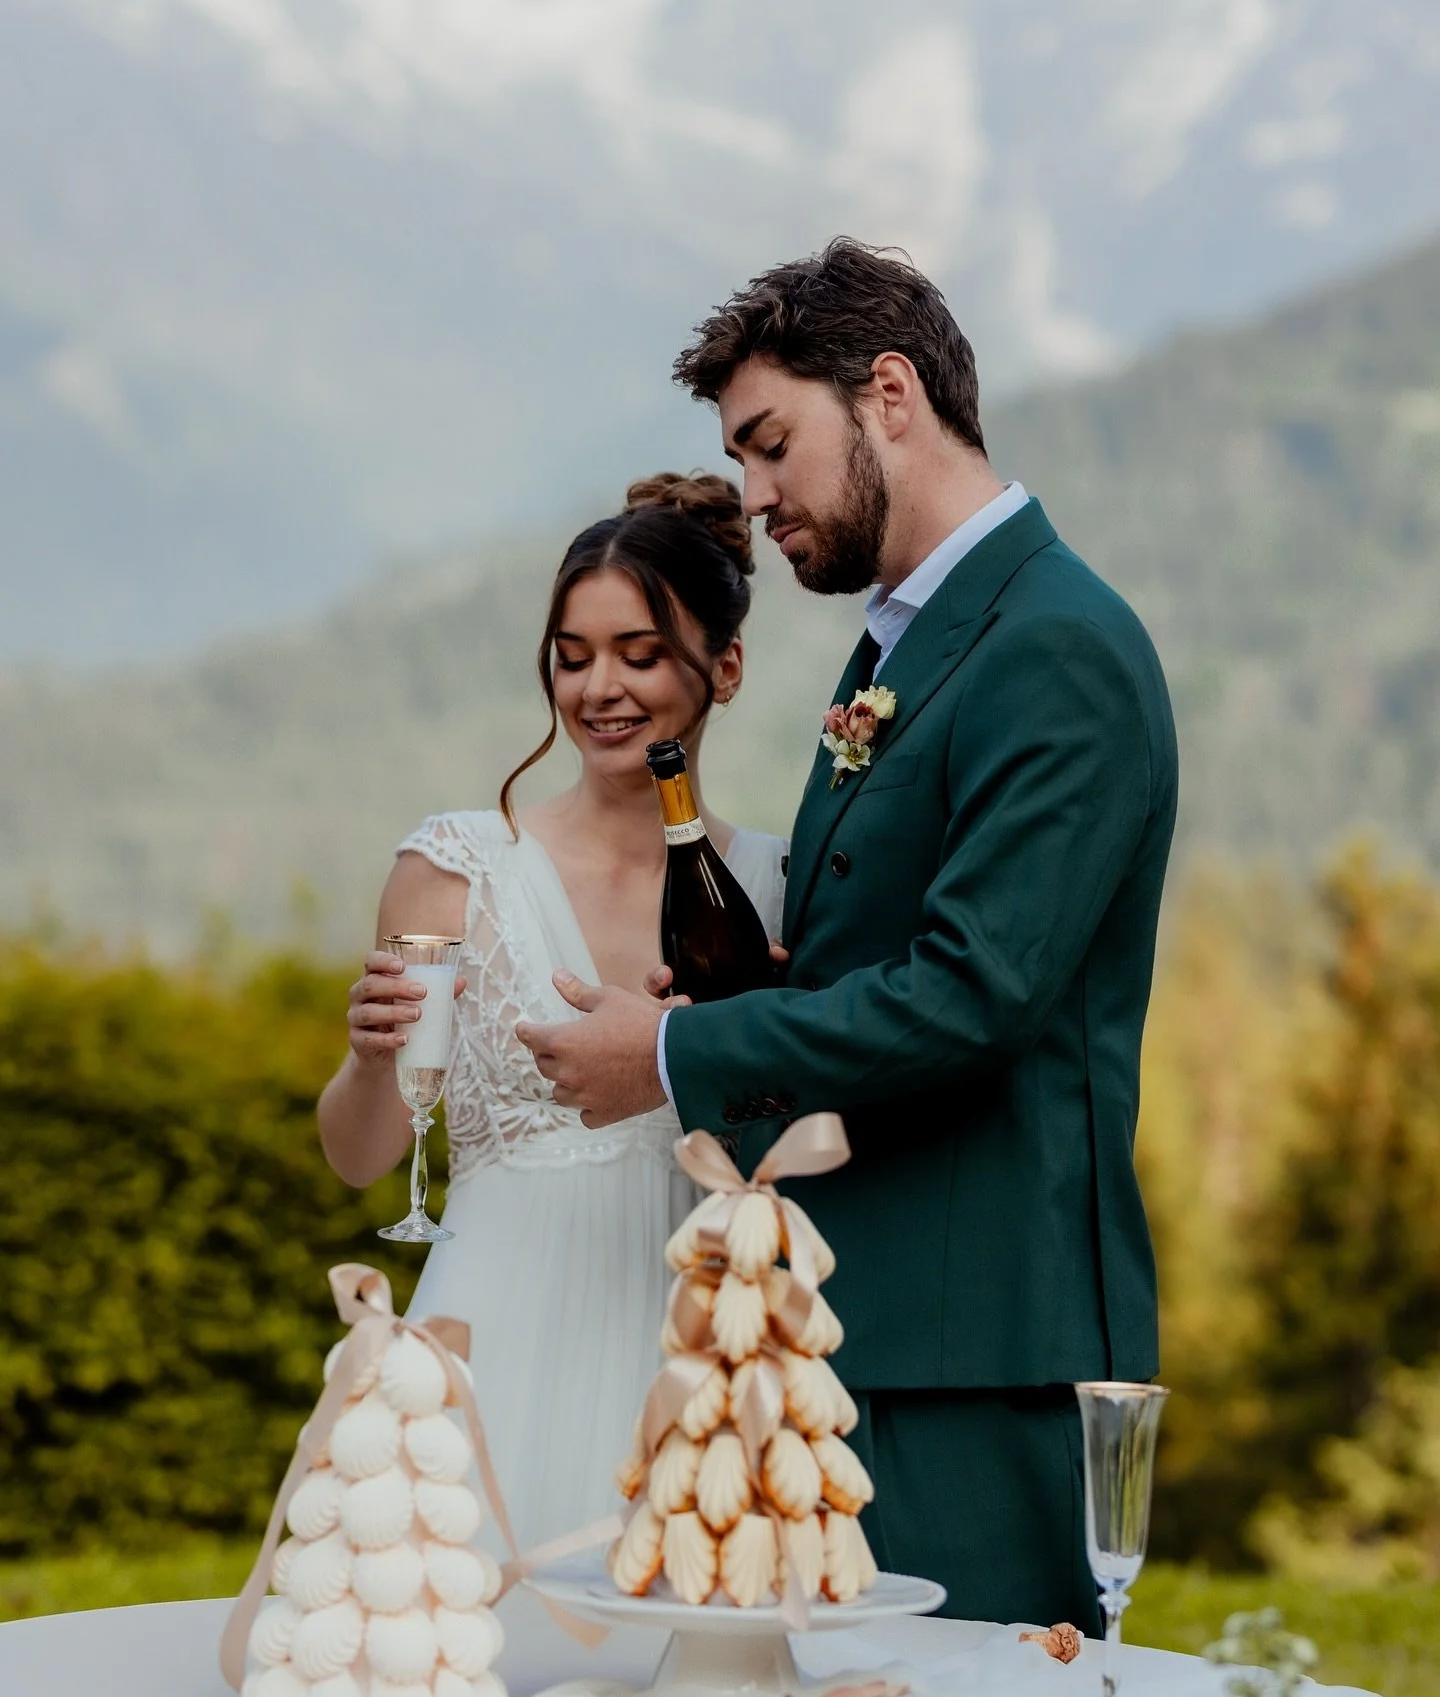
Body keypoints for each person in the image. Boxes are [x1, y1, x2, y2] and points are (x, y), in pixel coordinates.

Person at [516, 240, 1179, 1629]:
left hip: (977, 1356)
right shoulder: (904, 644)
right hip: (862, 1337)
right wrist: (766, 988)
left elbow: (975, 994)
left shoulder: (1054, 643)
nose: (752, 500)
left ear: (889, 394)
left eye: (771, 447)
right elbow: (897, 948)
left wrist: (685, 1052)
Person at [318, 472, 786, 1548]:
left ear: (725, 667)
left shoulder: (777, 887)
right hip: (493, 1348)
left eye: (639, 653)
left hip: (699, 1359)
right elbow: (360, 1158)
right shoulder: (455, 869)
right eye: (572, 658)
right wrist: (366, 1059)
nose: (598, 690)